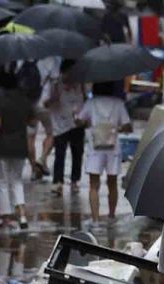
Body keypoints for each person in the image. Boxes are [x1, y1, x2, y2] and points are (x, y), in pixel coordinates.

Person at [76, 81, 132, 222]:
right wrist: (116, 128)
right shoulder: (118, 103)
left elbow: (79, 121)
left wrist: (77, 117)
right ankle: (111, 216)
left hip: (95, 148)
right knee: (112, 183)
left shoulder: (91, 103)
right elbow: (127, 126)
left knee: (93, 185)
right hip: (113, 149)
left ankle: (95, 219)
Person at [0, 70, 35, 231]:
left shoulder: (0, 102)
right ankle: (22, 215)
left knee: (2, 181)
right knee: (17, 180)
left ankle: (6, 217)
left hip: (2, 146)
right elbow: (32, 122)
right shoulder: (25, 101)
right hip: (20, 146)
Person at [44, 61, 86, 194]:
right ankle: (58, 182)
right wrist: (53, 97)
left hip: (77, 122)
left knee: (77, 152)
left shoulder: (80, 84)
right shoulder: (55, 85)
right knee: (60, 153)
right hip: (60, 124)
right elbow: (45, 103)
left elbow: (84, 99)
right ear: (63, 72)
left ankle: (75, 181)